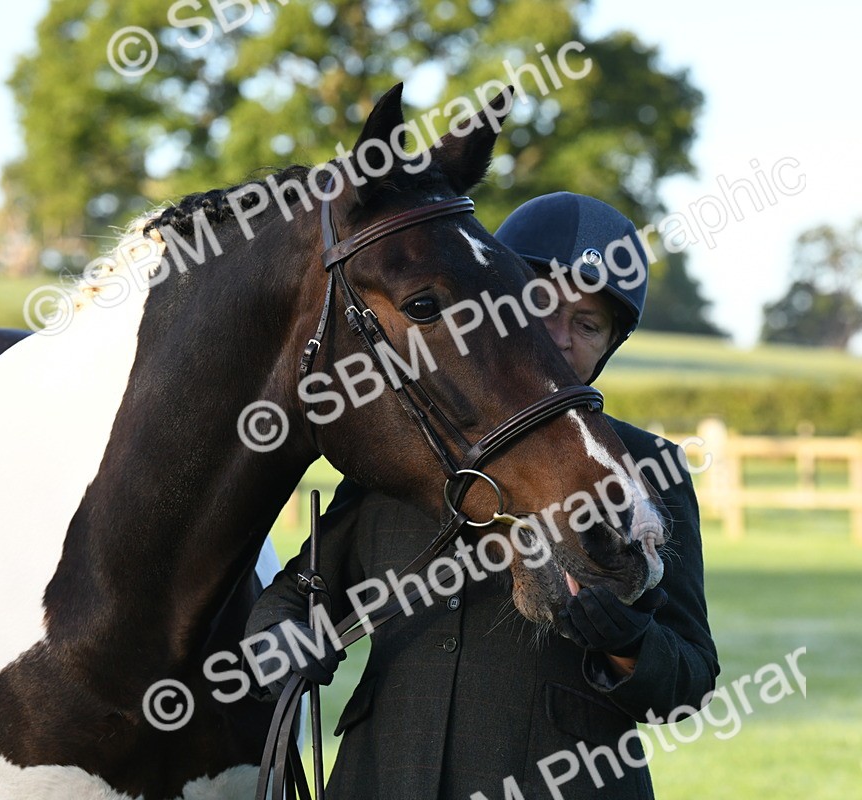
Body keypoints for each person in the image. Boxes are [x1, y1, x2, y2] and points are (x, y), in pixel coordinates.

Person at [245, 192, 719, 800]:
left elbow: (689, 681)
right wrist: (283, 636)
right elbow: (298, 595)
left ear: (609, 345)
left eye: (588, 324)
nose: (560, 337)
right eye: (541, 306)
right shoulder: (400, 444)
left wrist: (629, 645)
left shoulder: (647, 468)